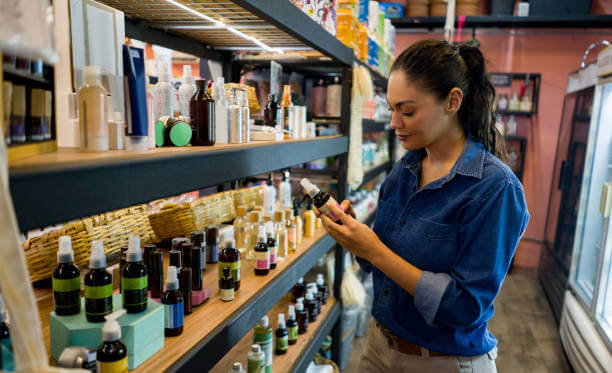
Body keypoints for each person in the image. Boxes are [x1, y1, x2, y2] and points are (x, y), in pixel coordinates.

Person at [318, 39, 529, 372]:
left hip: (441, 362)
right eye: (392, 108)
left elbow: (465, 307)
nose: (393, 123)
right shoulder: (406, 168)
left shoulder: (494, 189)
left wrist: (373, 250)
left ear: (452, 101)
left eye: (408, 110)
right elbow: (384, 263)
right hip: (379, 347)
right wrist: (357, 236)